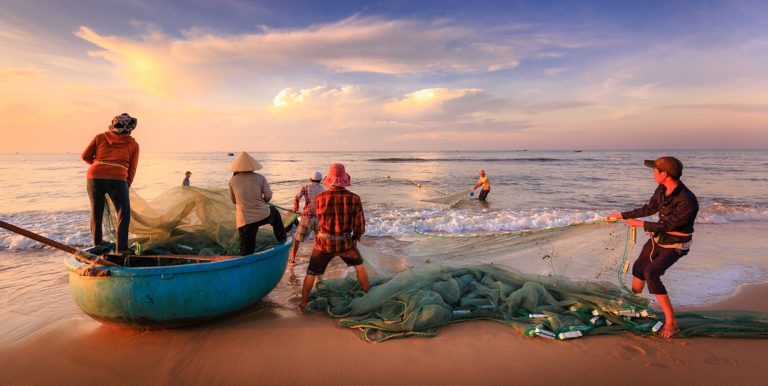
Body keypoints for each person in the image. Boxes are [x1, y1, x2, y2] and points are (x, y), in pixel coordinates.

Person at [608, 156, 698, 339]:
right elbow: (649, 209)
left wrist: (640, 225)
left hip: (676, 244)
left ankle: (672, 322)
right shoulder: (662, 188)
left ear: (664, 174)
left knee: (652, 273)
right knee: (639, 268)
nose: (652, 174)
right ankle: (634, 307)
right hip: (659, 238)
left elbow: (669, 226)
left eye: (654, 171)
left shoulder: (687, 200)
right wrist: (621, 215)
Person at [299, 163, 370, 311]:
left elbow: (317, 222)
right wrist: (354, 239)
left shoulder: (320, 198)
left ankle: (303, 303)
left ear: (329, 180)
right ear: (344, 180)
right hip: (345, 244)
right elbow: (360, 226)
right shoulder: (354, 198)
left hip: (323, 244)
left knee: (311, 273)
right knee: (360, 267)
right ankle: (368, 296)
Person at [81, 113, 140, 255]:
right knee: (123, 212)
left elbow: (85, 156)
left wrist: (98, 165)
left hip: (94, 177)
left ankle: (98, 243)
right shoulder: (133, 144)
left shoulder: (100, 137)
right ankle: (122, 249)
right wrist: (127, 183)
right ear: (130, 128)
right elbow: (132, 168)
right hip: (118, 178)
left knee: (96, 211)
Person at [228, 151, 287, 255]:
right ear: (252, 166)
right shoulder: (260, 178)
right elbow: (268, 196)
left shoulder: (232, 180)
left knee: (246, 249)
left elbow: (234, 201)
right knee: (274, 213)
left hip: (244, 220)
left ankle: (245, 265)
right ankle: (282, 239)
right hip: (262, 215)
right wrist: (263, 201)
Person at [289, 171, 325, 263]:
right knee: (317, 238)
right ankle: (317, 257)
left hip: (307, 216)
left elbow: (296, 198)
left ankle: (293, 258)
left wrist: (295, 208)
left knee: (297, 238)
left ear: (310, 179)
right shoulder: (323, 189)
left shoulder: (305, 186)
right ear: (320, 180)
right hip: (319, 217)